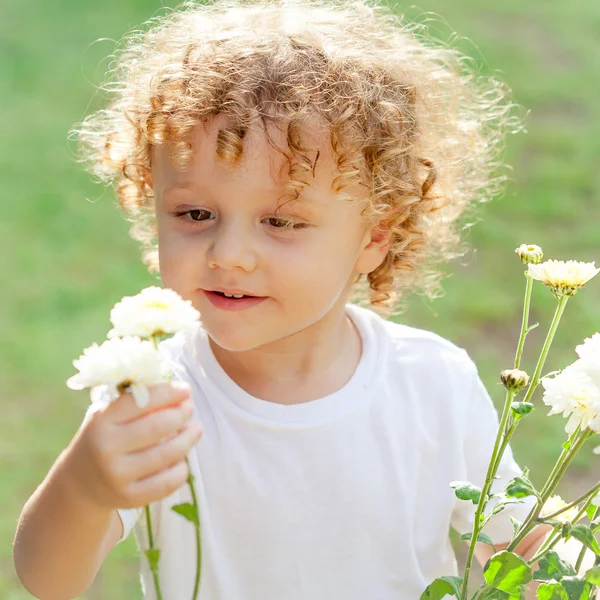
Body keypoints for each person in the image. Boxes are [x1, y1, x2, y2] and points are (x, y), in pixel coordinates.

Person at [12, 1, 597, 599]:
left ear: (374, 235)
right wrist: (85, 488)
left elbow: (522, 543)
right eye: (195, 213)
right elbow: (48, 581)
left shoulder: (433, 383)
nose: (229, 253)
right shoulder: (155, 394)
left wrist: (573, 566)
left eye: (281, 221)